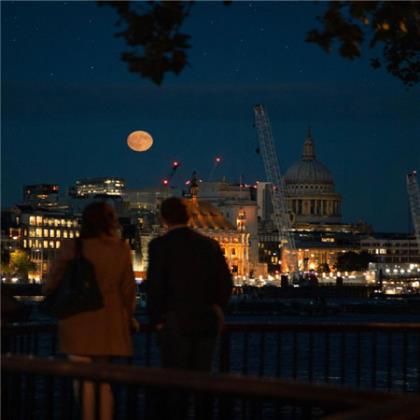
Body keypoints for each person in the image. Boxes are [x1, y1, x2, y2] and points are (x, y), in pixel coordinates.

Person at [43, 202, 136, 420]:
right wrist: (128, 318)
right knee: (103, 381)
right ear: (110, 222)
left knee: (82, 381)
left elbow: (52, 282)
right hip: (109, 320)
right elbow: (128, 289)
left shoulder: (73, 246)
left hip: (77, 318)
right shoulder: (121, 248)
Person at [147, 196, 233, 371]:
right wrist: (216, 308)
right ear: (189, 217)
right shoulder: (209, 244)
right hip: (205, 321)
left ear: (163, 218)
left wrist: (157, 320)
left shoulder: (159, 246)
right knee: (202, 375)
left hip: (174, 322)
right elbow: (225, 283)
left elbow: (154, 287)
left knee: (175, 379)